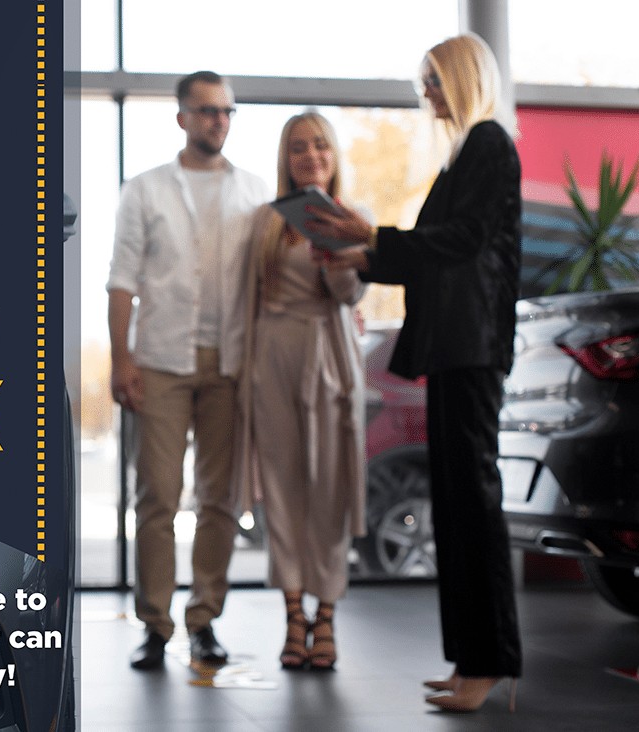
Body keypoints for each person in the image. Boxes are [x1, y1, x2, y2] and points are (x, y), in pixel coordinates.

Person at [312, 33, 523, 711]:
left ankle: (487, 664)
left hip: (474, 349)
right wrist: (360, 255)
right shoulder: (462, 157)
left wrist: (368, 239)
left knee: (474, 506)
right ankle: (467, 661)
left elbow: (460, 244)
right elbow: (430, 254)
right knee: (456, 509)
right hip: (452, 349)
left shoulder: (489, 145)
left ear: (461, 78)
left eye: (432, 79)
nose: (424, 92)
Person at [106, 71, 270, 670]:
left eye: (226, 110)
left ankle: (204, 620)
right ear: (181, 118)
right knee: (157, 497)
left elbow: (270, 279)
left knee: (221, 501)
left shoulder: (255, 192)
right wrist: (121, 358)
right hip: (160, 361)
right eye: (205, 111)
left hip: (230, 364)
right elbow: (122, 279)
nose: (218, 120)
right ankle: (155, 623)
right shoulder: (144, 190)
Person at [237, 111, 366, 671]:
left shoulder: (356, 220)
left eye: (319, 145)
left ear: (333, 154)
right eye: (297, 148)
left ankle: (327, 616)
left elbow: (349, 297)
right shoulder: (265, 221)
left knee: (331, 494)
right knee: (285, 493)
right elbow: (249, 299)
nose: (310, 155)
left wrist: (336, 257)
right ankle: (294, 616)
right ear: (285, 160)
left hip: (330, 360)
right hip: (273, 360)